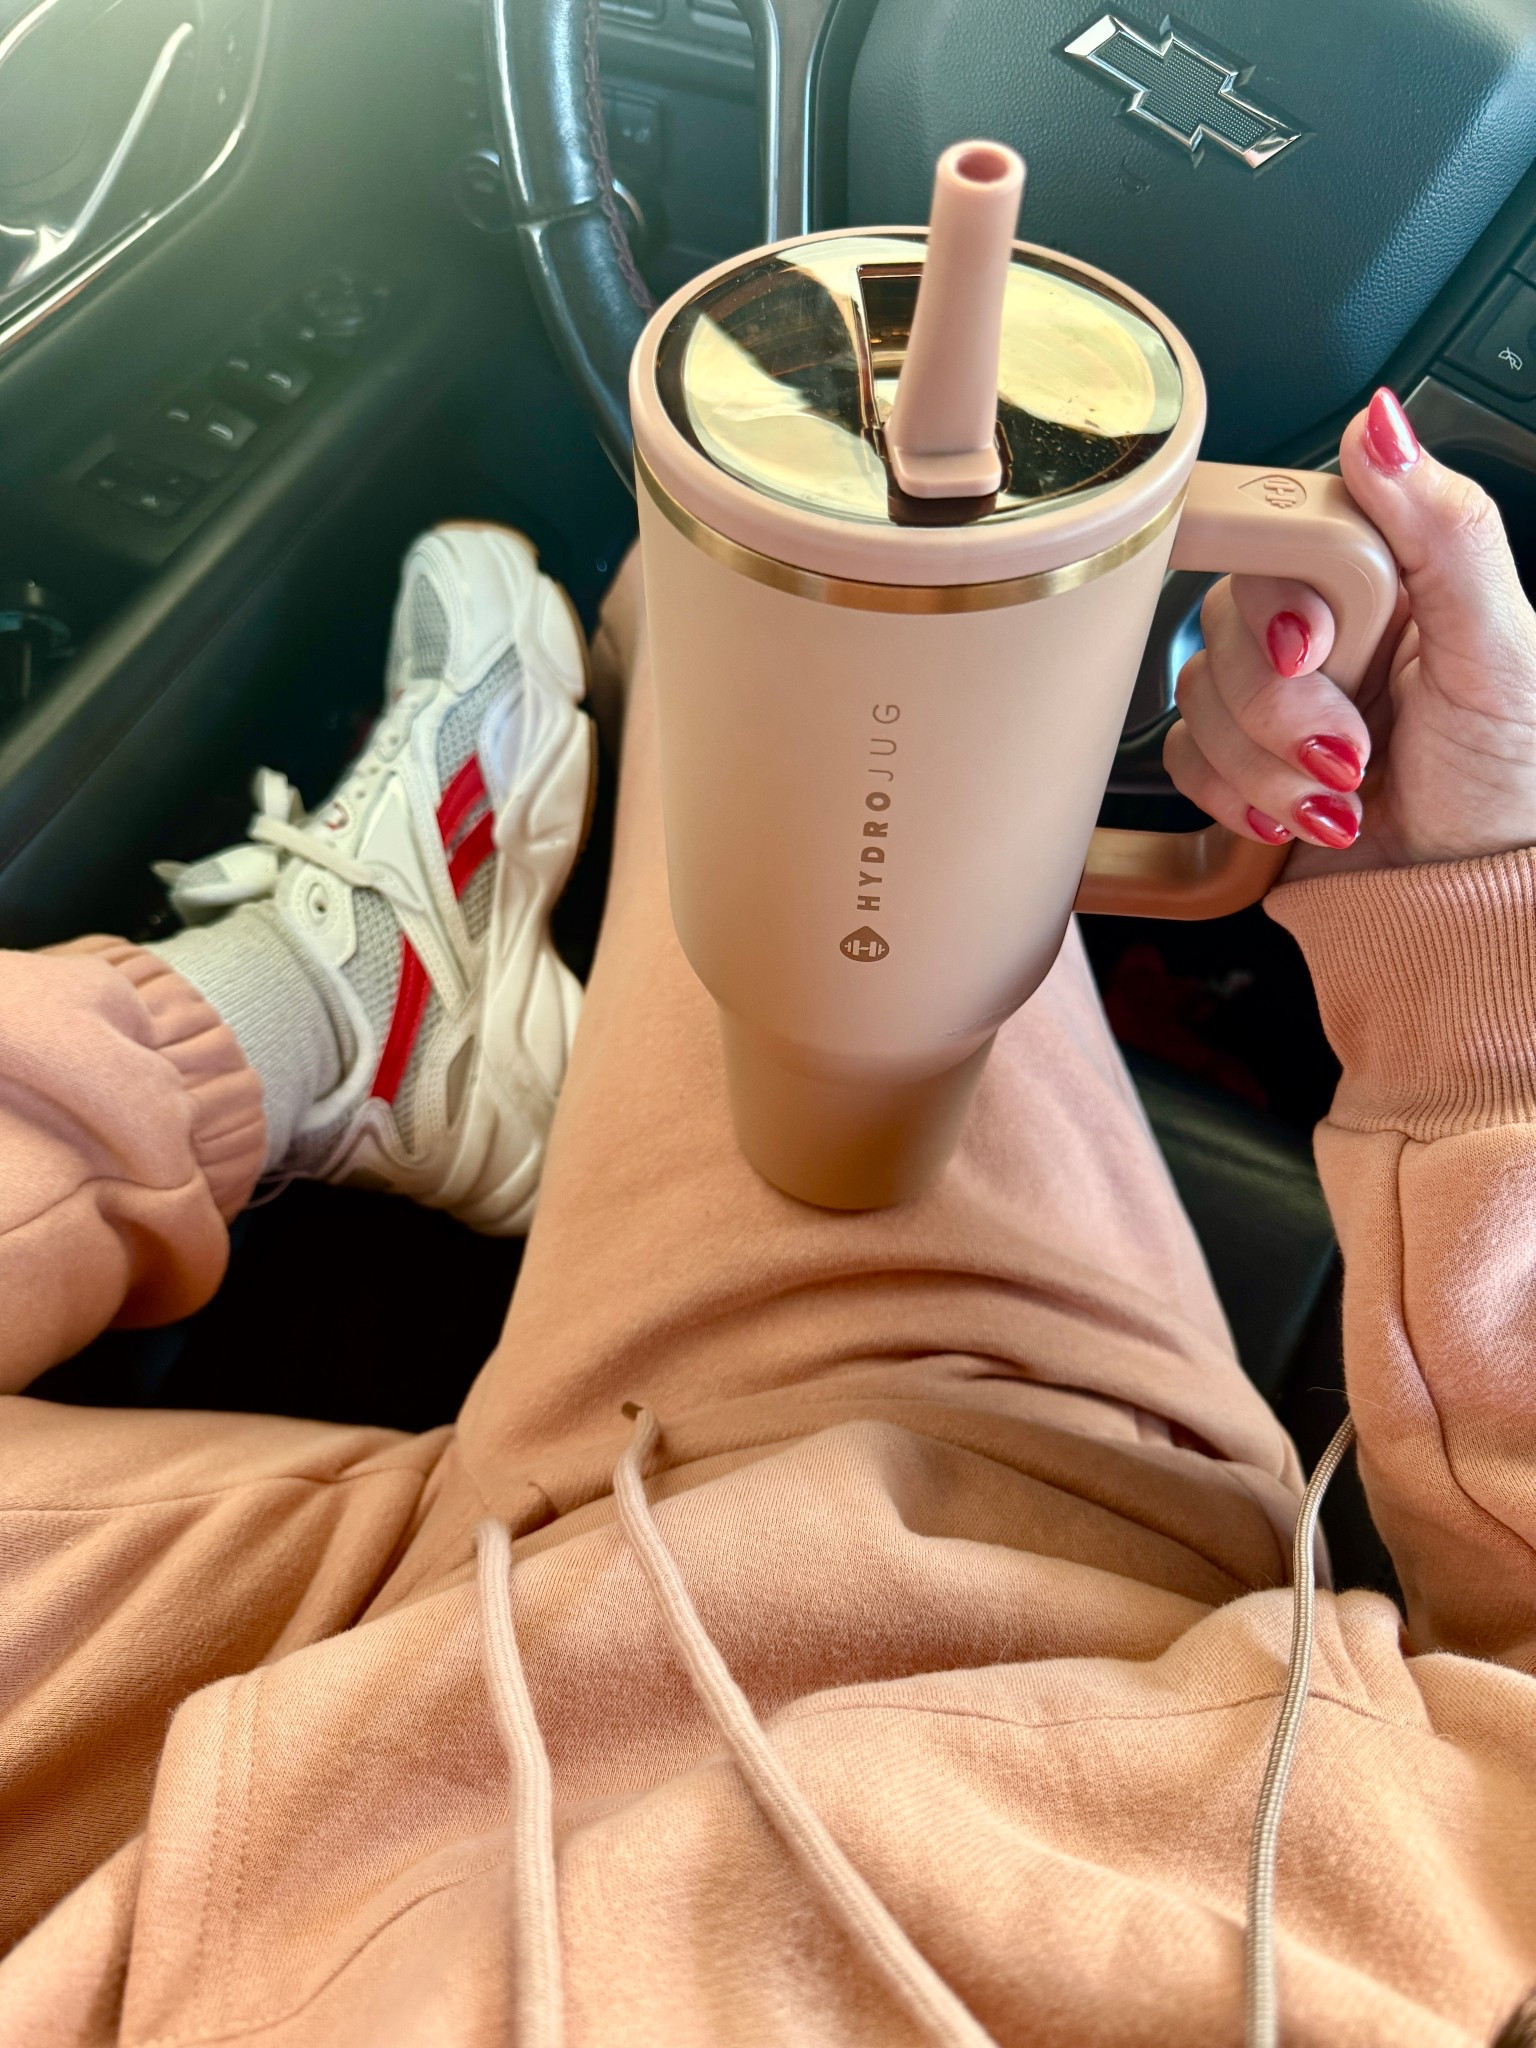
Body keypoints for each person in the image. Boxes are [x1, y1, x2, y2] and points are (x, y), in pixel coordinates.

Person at [1, 386, 1534, 2048]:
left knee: (741, 570)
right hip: (962, 1582)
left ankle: (337, 1010)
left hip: (206, 1910)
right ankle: (323, 1012)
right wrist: (1475, 953)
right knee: (731, 601)